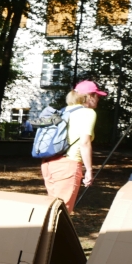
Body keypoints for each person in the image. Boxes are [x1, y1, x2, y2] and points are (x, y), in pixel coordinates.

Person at [40, 81, 104, 213]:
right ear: (89, 96)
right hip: (68, 164)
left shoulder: (64, 111)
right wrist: (89, 170)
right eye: (97, 95)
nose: (98, 99)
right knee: (62, 212)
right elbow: (84, 143)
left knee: (52, 209)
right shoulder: (88, 113)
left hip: (48, 163)